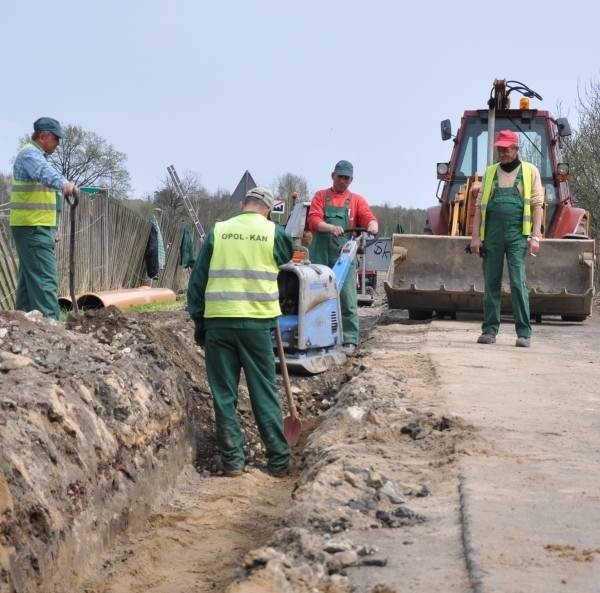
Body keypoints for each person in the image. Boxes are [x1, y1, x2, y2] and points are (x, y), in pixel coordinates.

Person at [187, 187, 294, 477]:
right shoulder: (274, 233)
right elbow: (286, 255)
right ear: (268, 209)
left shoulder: (219, 231)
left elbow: (198, 280)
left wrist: (199, 321)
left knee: (224, 394)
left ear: (243, 205)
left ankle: (233, 460)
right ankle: (279, 459)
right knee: (263, 391)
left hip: (219, 322)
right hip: (257, 324)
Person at [469, 130, 544, 348]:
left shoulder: (530, 171)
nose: (502, 153)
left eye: (506, 149)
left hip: (517, 236)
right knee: (491, 283)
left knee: (518, 283)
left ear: (516, 149)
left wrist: (535, 237)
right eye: (499, 149)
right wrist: (475, 237)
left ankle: (523, 333)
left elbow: (537, 206)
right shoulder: (491, 172)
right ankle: (489, 330)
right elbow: (479, 208)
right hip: (491, 236)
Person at [307, 160, 378, 356]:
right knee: (315, 298)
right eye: (340, 177)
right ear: (333, 176)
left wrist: (372, 225)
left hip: (344, 257)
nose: (343, 181)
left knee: (347, 298)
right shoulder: (321, 196)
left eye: (347, 178)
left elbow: (368, 217)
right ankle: (314, 338)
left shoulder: (356, 201)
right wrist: (330, 227)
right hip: (320, 255)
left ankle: (349, 340)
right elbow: (313, 220)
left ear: (352, 179)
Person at [9, 117, 77, 320]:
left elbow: (48, 197)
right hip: (32, 226)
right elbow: (43, 173)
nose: (58, 144)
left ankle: (21, 323)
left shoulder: (40, 157)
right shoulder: (29, 154)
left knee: (29, 280)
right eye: (56, 139)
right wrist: (64, 183)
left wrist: (55, 227)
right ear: (43, 136)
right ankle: (52, 327)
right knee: (44, 280)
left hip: (38, 226)